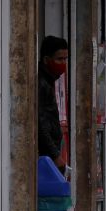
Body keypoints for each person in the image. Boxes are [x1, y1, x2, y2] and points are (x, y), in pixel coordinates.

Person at [39, 35, 69, 172]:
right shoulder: (42, 84)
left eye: (65, 59)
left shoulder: (49, 81)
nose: (63, 63)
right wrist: (55, 155)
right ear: (46, 60)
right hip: (46, 156)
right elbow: (40, 124)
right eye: (59, 59)